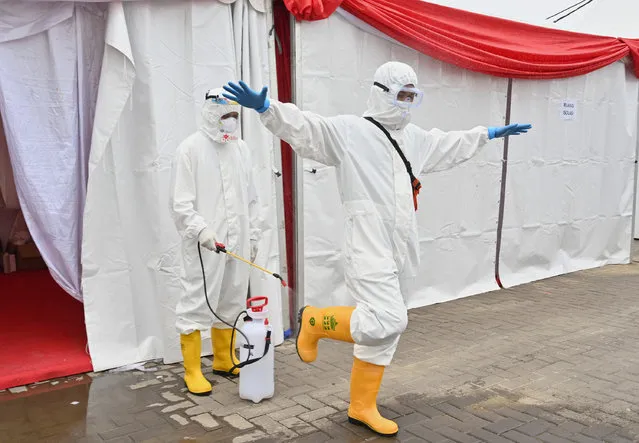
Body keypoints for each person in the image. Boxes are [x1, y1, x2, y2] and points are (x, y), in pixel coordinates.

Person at [223, 61, 532, 435]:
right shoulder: (351, 131)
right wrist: (268, 109)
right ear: (381, 92)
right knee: (389, 318)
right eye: (401, 94)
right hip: (367, 242)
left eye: (412, 96)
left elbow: (448, 144)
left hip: (402, 244)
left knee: (387, 331)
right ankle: (316, 321)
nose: (406, 103)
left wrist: (489, 133)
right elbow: (307, 129)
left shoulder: (414, 138)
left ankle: (361, 405)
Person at [169, 88, 262, 396]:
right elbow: (181, 203)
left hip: (238, 242)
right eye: (226, 115)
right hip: (204, 243)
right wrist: (202, 231)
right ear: (211, 113)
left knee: (232, 299)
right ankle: (192, 370)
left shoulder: (242, 149)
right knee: (196, 300)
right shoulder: (190, 149)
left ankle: (223, 358)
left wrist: (253, 235)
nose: (231, 122)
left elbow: (251, 198)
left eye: (235, 115)